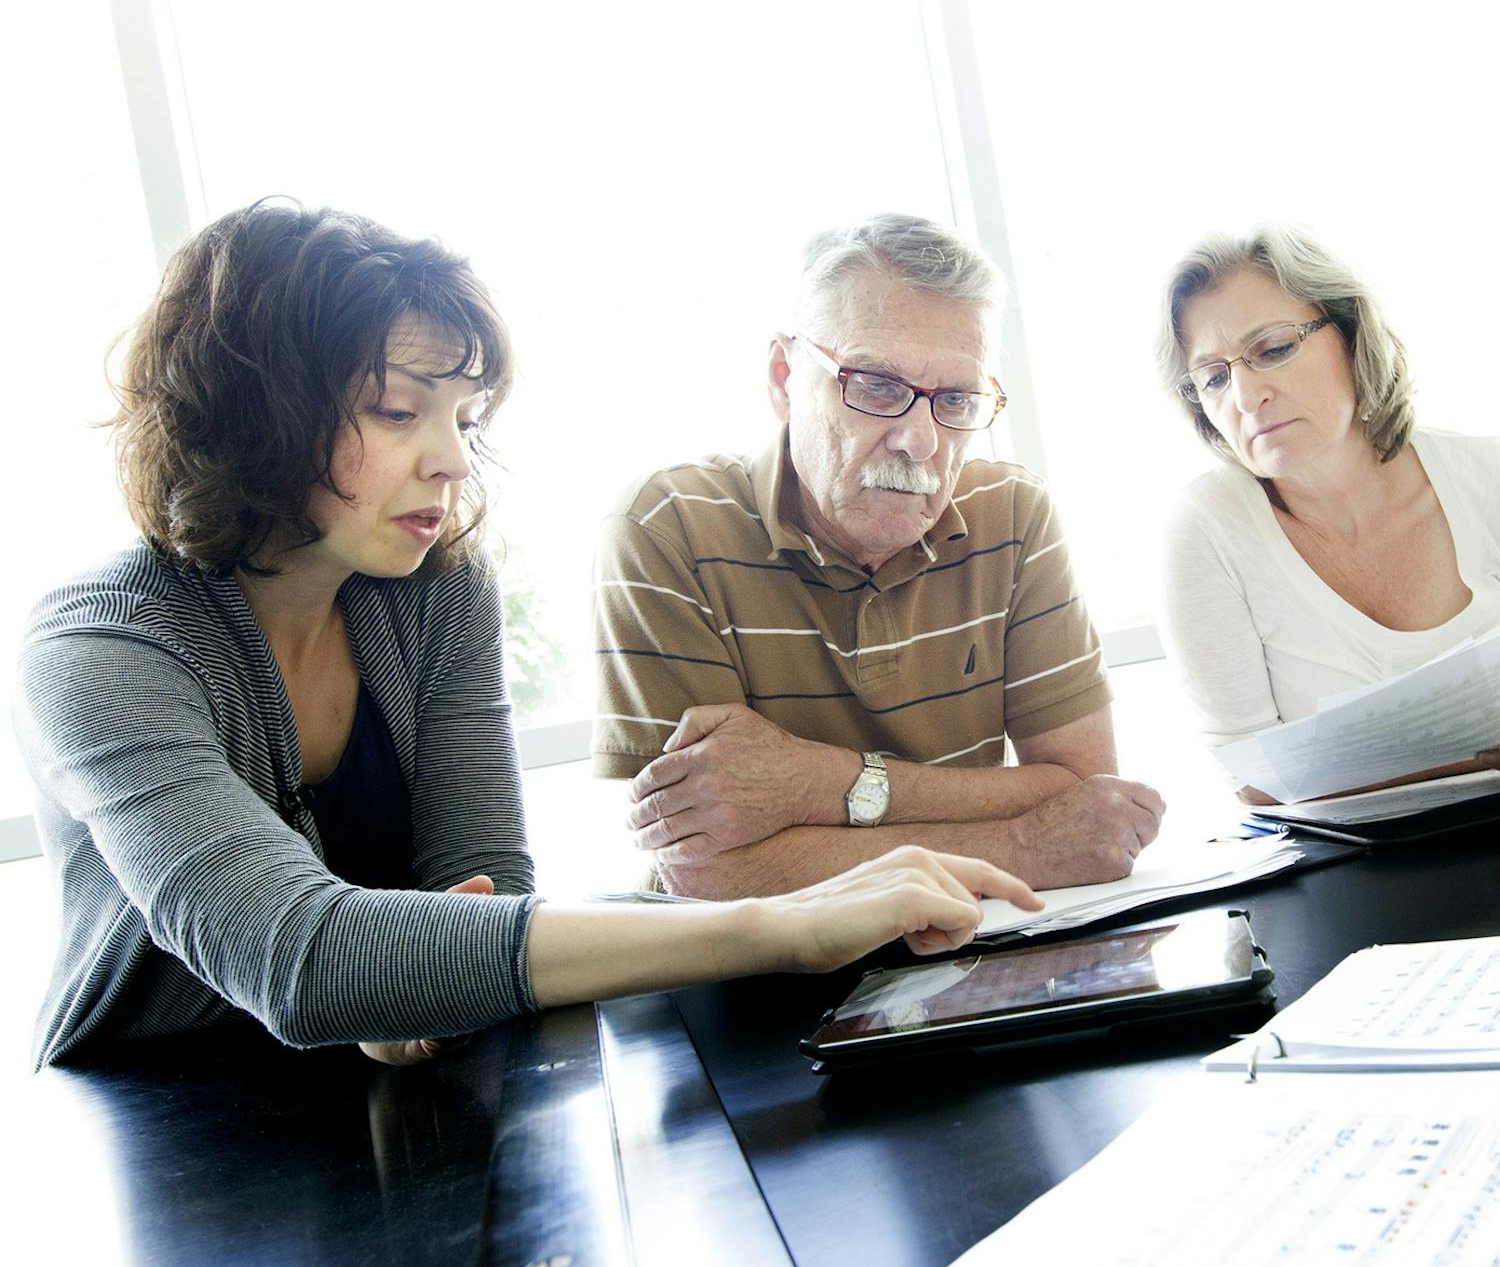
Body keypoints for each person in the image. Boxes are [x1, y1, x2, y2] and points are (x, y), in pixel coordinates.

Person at [17, 200, 1036, 1071]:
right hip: (160, 1127)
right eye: (396, 410)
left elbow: (487, 893)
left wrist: (406, 978)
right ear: (253, 415)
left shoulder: (435, 591)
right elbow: (300, 959)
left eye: (463, 417)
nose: (451, 460)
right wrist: (781, 925)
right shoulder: (100, 647)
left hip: (401, 1090)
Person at [592, 214, 1163, 899]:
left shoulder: (1013, 515)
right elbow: (707, 873)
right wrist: (1019, 845)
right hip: (766, 986)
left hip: (981, 951)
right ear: (783, 377)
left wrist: (818, 784)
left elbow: (1083, 794)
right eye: (876, 386)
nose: (920, 441)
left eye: (955, 399)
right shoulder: (667, 529)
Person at [1153, 225, 1500, 802]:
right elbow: (1250, 775)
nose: (1246, 397)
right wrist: (1472, 761)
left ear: (1351, 334)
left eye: (1273, 349)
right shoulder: (1206, 532)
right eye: (1214, 377)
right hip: (1344, 873)